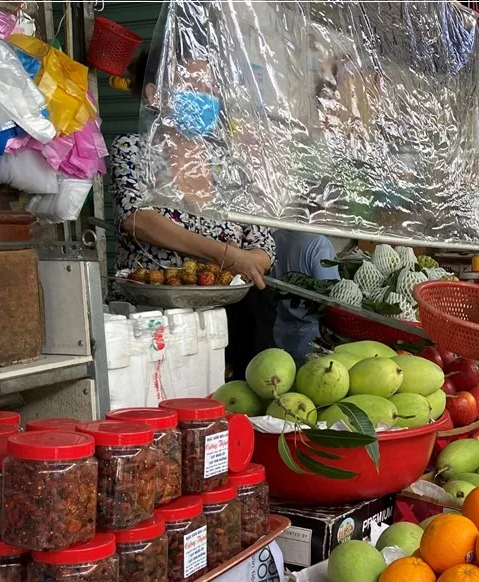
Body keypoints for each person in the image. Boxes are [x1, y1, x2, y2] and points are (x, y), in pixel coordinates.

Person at [110, 44, 277, 374]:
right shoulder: (133, 150)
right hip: (157, 312)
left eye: (211, 89)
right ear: (154, 95)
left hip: (227, 313)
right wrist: (226, 255)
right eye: (193, 88)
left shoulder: (229, 164)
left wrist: (242, 263)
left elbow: (263, 247)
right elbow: (136, 218)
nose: (206, 98)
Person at [272, 229, 339, 365]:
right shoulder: (319, 244)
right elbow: (330, 295)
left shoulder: (276, 235)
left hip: (280, 329)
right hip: (310, 336)